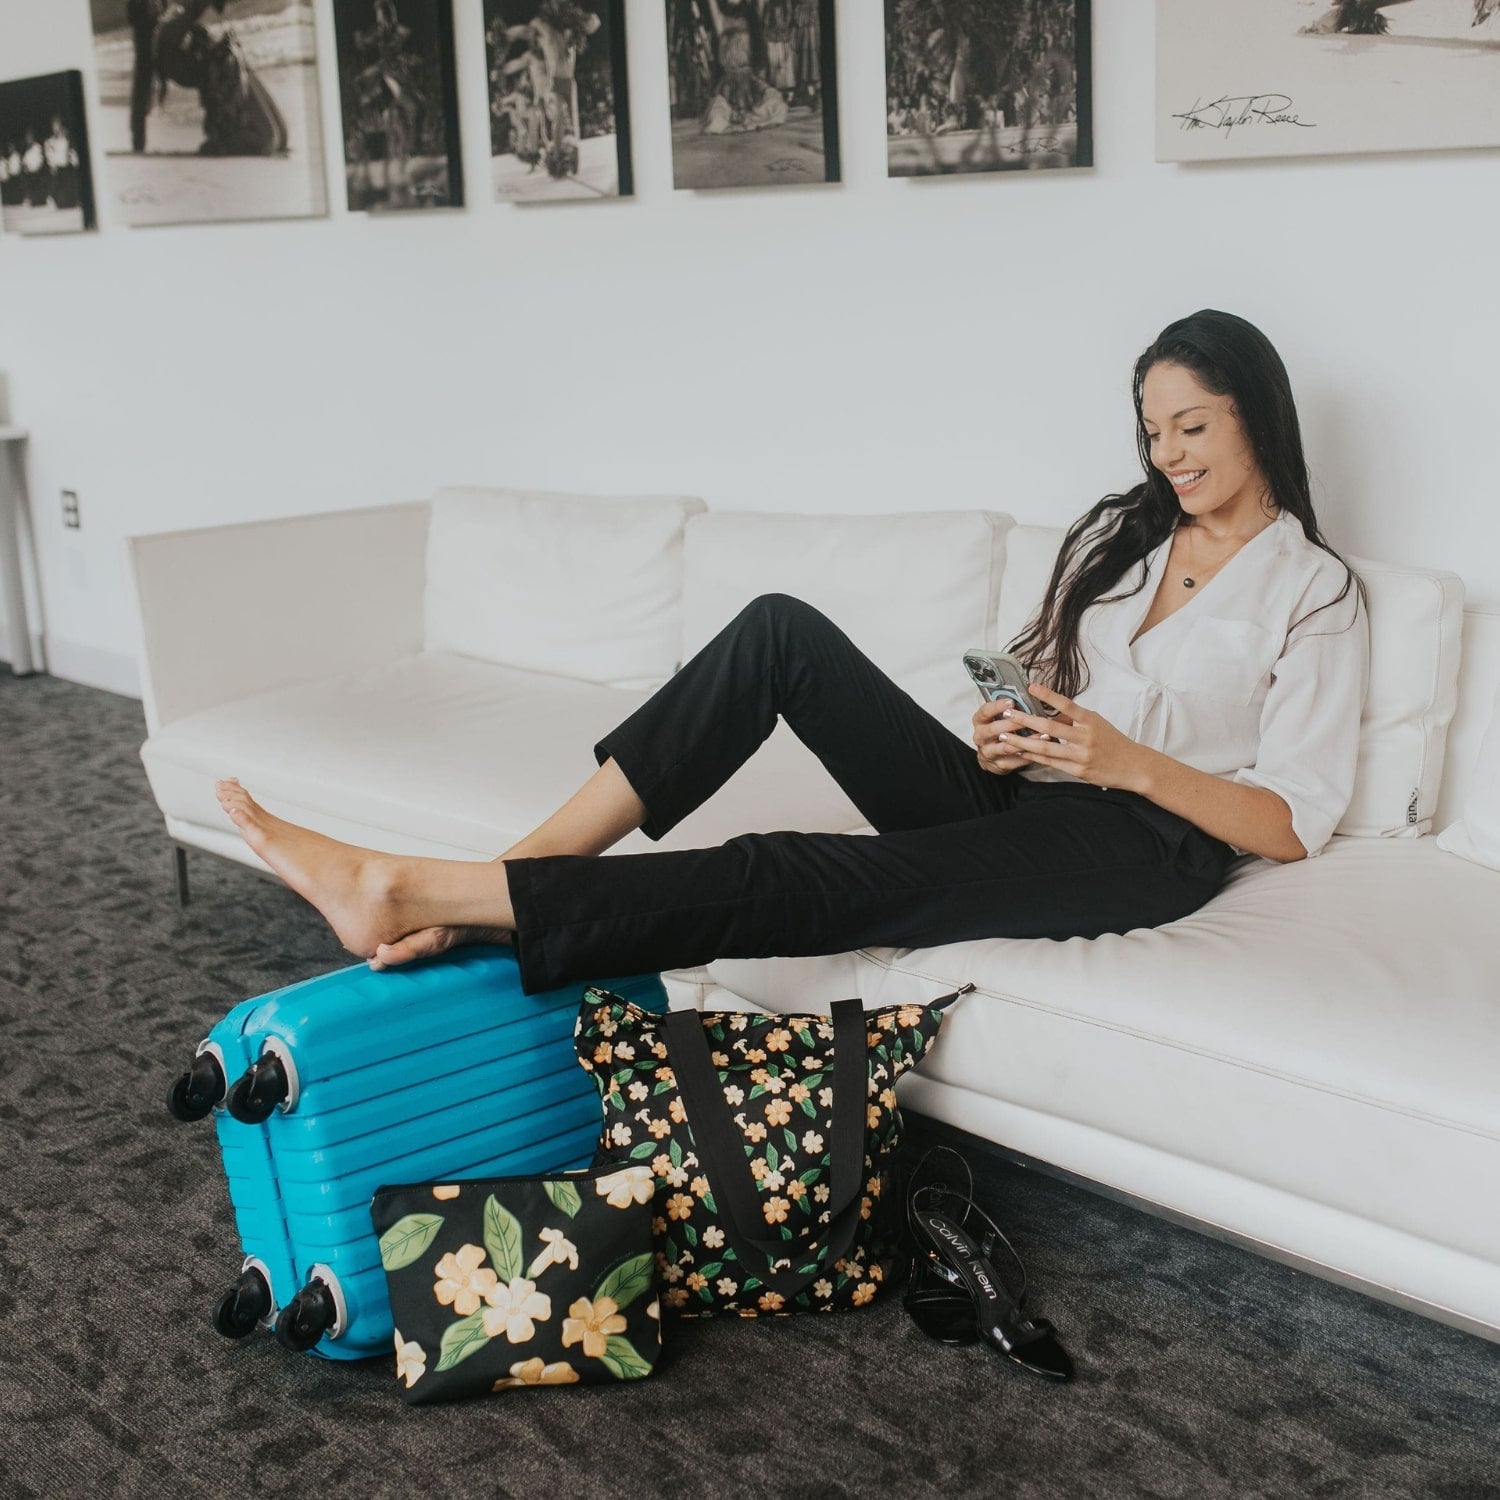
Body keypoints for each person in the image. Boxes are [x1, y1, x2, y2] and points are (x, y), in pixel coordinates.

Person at [213, 311, 1371, 996]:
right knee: (780, 628)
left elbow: (1293, 822)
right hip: (1031, 800)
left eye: (1193, 426)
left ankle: (420, 890)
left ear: (1256, 418)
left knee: (795, 867)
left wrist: (1126, 763)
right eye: (1153, 428)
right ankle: (516, 875)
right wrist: (1012, 726)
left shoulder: (1315, 589)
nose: (1167, 452)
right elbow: (1046, 688)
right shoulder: (1128, 540)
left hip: (1139, 848)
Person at [127, 0, 164, 153]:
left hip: (147, 39)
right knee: (143, 90)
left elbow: (132, 15)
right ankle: (138, 140)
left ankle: (138, 139)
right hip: (146, 40)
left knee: (143, 89)